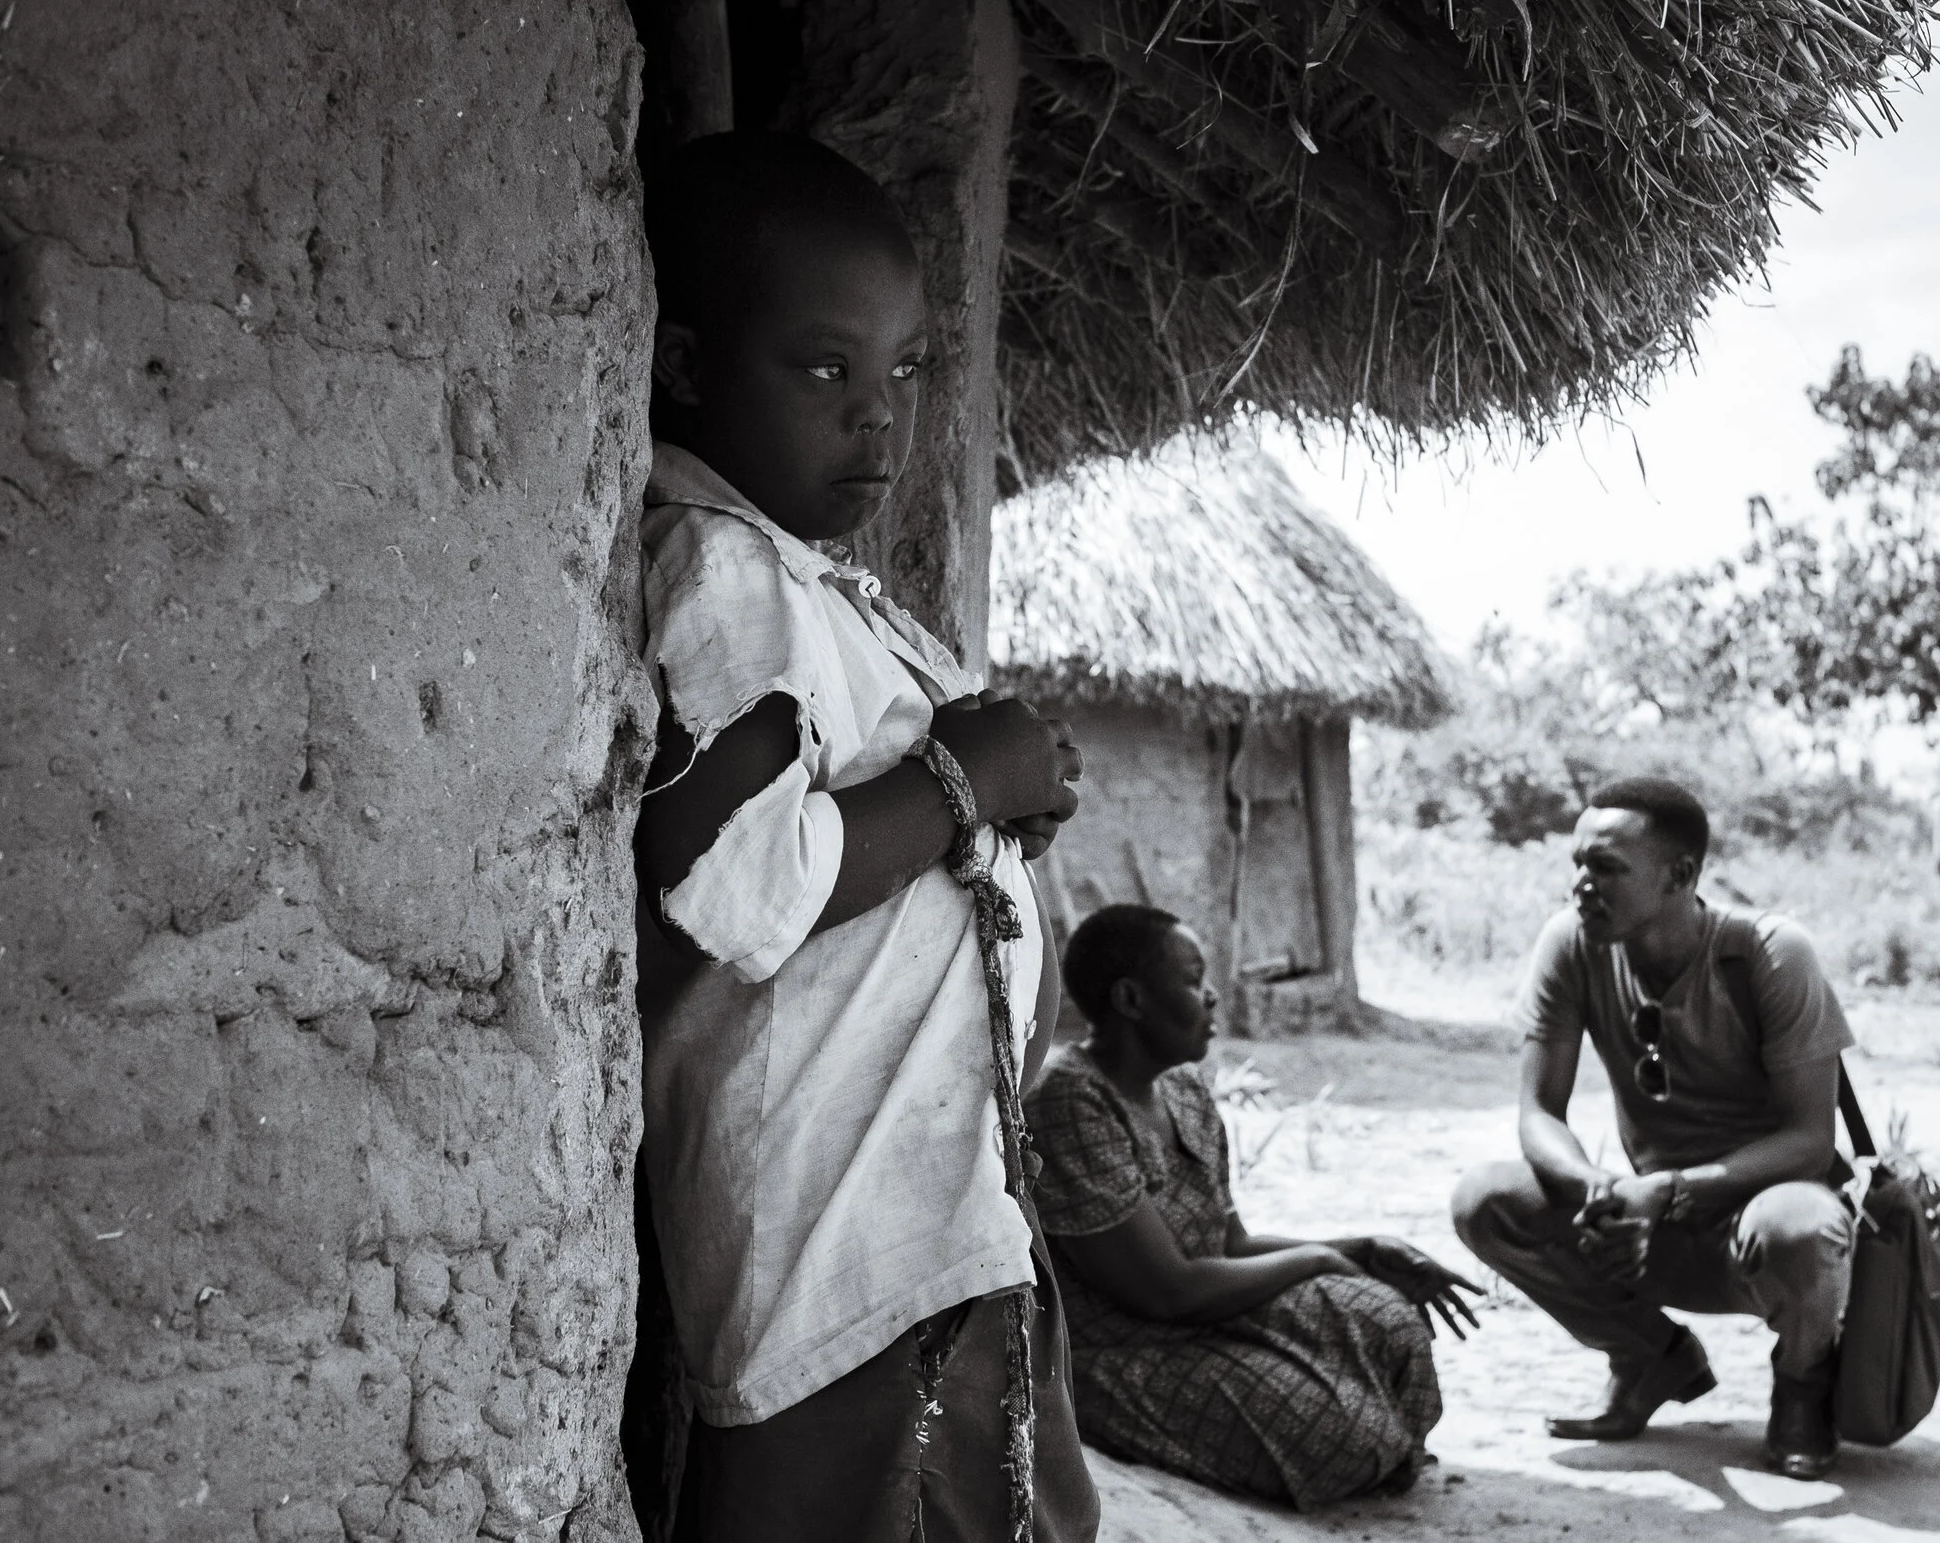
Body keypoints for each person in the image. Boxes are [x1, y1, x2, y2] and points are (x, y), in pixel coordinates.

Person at [631, 130, 1097, 1542]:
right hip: (838, 1243)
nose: (880, 420)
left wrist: (1010, 787)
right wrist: (965, 775)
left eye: (902, 371)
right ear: (693, 365)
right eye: (826, 368)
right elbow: (735, 876)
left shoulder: (820, 589)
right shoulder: (721, 568)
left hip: (937, 1210)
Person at [1450, 777, 1857, 1480]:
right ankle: (1649, 1357)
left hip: (1758, 1227)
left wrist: (1664, 1191)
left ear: (1680, 876)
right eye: (1578, 863)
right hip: (1645, 1225)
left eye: (1606, 867)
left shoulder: (1769, 953)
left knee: (1803, 1227)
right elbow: (1538, 1111)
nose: (1583, 884)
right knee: (1486, 1199)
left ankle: (1803, 1383)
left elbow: (1810, 1140)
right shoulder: (1572, 945)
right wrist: (1598, 1188)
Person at [1025, 904, 1478, 1509]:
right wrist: (1319, 1258)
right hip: (1117, 1350)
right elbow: (1170, 1292)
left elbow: (1230, 1246)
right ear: (1131, 1000)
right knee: (1334, 1428)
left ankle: (1381, 1451)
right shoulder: (1069, 1100)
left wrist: (1359, 1251)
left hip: (1207, 1314)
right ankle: (1372, 1453)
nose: (1212, 996)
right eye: (1192, 979)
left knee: (1387, 1320)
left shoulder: (1182, 1088)